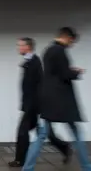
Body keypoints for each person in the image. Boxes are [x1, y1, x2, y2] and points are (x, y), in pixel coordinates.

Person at [22, 27, 91, 171]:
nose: (72, 44)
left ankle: (27, 168)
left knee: (41, 136)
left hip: (49, 99)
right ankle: (86, 166)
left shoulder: (48, 50)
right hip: (61, 101)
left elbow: (54, 73)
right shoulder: (59, 51)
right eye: (72, 41)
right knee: (77, 133)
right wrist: (76, 72)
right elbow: (64, 74)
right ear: (67, 37)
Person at [8, 37, 71, 167]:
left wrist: (33, 106)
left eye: (20, 45)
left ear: (28, 47)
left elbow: (38, 85)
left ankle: (20, 160)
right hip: (32, 105)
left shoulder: (34, 62)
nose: (18, 48)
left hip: (34, 105)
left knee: (22, 132)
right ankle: (64, 147)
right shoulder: (29, 61)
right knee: (46, 133)